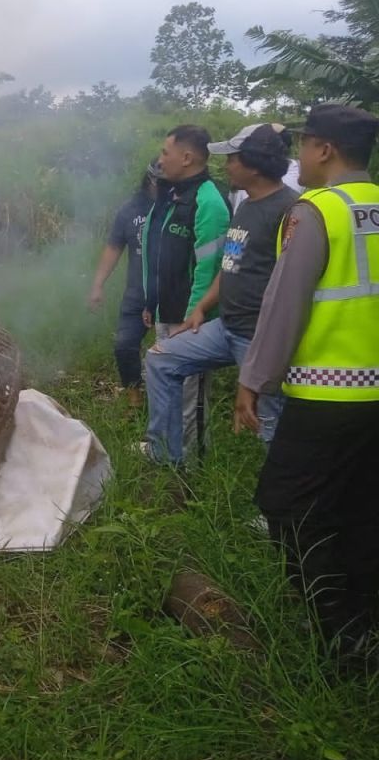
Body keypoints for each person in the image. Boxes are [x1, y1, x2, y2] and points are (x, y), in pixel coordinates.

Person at [235, 103, 379, 666]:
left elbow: (284, 303)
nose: (299, 158)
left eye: (304, 146)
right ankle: (365, 615)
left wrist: (254, 380)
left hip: (328, 391)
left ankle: (341, 633)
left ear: (324, 151)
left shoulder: (316, 210)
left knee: (286, 504)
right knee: (361, 503)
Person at [142, 124, 297, 466]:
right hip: (226, 327)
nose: (225, 166)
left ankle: (283, 512)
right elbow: (229, 267)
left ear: (253, 165)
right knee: (160, 359)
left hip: (261, 336)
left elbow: (292, 287)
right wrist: (200, 309)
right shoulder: (245, 206)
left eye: (232, 159)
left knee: (269, 422)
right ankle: (168, 458)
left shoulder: (290, 211)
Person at [140, 125, 230, 461]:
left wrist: (194, 317)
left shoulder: (209, 202)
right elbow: (155, 251)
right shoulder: (169, 195)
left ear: (187, 157)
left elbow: (209, 270)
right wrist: (151, 302)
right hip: (166, 310)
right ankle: (164, 452)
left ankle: (193, 466)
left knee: (191, 396)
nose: (161, 160)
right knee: (163, 388)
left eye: (166, 152)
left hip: (191, 319)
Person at [88, 161, 161, 408]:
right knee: (124, 346)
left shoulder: (181, 207)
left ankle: (170, 405)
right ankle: (134, 400)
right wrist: (98, 285)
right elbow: (114, 247)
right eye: (160, 181)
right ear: (150, 180)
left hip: (172, 294)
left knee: (169, 353)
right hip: (137, 293)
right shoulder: (130, 210)